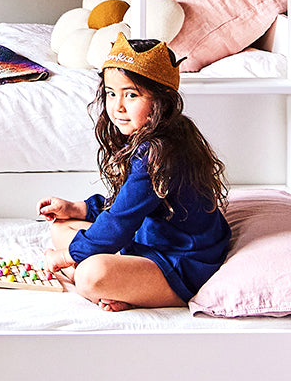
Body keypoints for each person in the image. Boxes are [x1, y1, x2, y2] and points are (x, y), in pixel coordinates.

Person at [37, 32, 230, 311]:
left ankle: (141, 293)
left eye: (131, 94)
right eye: (111, 93)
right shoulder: (150, 138)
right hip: (147, 241)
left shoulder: (161, 152)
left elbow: (120, 222)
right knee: (61, 227)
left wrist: (65, 258)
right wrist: (78, 208)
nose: (118, 107)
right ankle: (125, 288)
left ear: (161, 100)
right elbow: (128, 205)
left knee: (92, 273)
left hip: (180, 261)